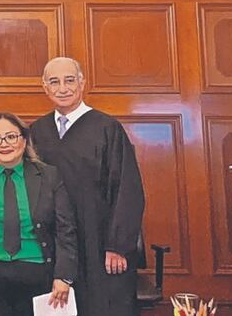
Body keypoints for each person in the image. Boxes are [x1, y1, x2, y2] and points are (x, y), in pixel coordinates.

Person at [29, 57, 146, 316]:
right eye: (54, 82)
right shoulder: (37, 131)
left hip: (99, 242)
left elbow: (127, 189)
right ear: (45, 87)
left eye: (70, 80)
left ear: (82, 83)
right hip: (55, 241)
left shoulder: (107, 128)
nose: (63, 88)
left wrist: (117, 245)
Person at [0, 113, 77, 316]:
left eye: (11, 136)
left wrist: (64, 276)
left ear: (24, 140)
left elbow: (66, 230)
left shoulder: (48, 175)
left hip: (36, 272)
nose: (4, 144)